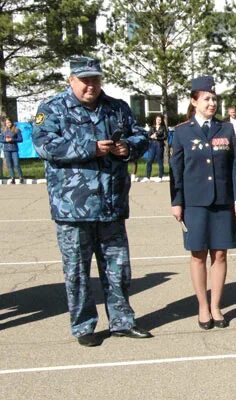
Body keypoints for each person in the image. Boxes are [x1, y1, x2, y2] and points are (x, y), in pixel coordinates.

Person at [32, 56, 152, 347]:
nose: (91, 86)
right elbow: (44, 145)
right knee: (77, 271)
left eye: (95, 80)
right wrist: (90, 148)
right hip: (73, 208)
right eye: (84, 80)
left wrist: (127, 148)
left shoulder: (117, 108)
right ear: (71, 80)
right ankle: (84, 325)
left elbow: (141, 136)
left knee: (118, 268)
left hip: (111, 205)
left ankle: (122, 322)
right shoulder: (52, 108)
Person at [169, 76, 236, 330]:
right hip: (195, 203)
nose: (212, 103)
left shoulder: (226, 129)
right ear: (194, 101)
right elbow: (176, 170)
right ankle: (202, 306)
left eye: (214, 99)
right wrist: (177, 201)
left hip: (223, 201)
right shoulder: (182, 132)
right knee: (198, 255)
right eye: (206, 99)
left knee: (221, 254)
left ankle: (216, 305)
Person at [143, 114, 167, 182]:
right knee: (149, 160)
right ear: (155, 120)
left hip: (159, 145)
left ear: (161, 121)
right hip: (152, 145)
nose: (158, 121)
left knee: (160, 161)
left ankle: (160, 177)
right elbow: (148, 135)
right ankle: (147, 177)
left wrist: (157, 138)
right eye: (157, 120)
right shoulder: (152, 127)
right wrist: (151, 136)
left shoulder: (163, 128)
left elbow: (165, 137)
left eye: (160, 120)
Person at [1, 117, 24, 184]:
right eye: (7, 122)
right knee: (9, 164)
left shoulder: (17, 130)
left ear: (12, 122)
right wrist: (5, 140)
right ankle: (12, 178)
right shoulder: (3, 130)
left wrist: (12, 140)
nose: (8, 124)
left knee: (16, 164)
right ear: (5, 123)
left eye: (9, 122)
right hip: (6, 150)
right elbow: (1, 139)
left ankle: (21, 177)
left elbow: (20, 139)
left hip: (14, 150)